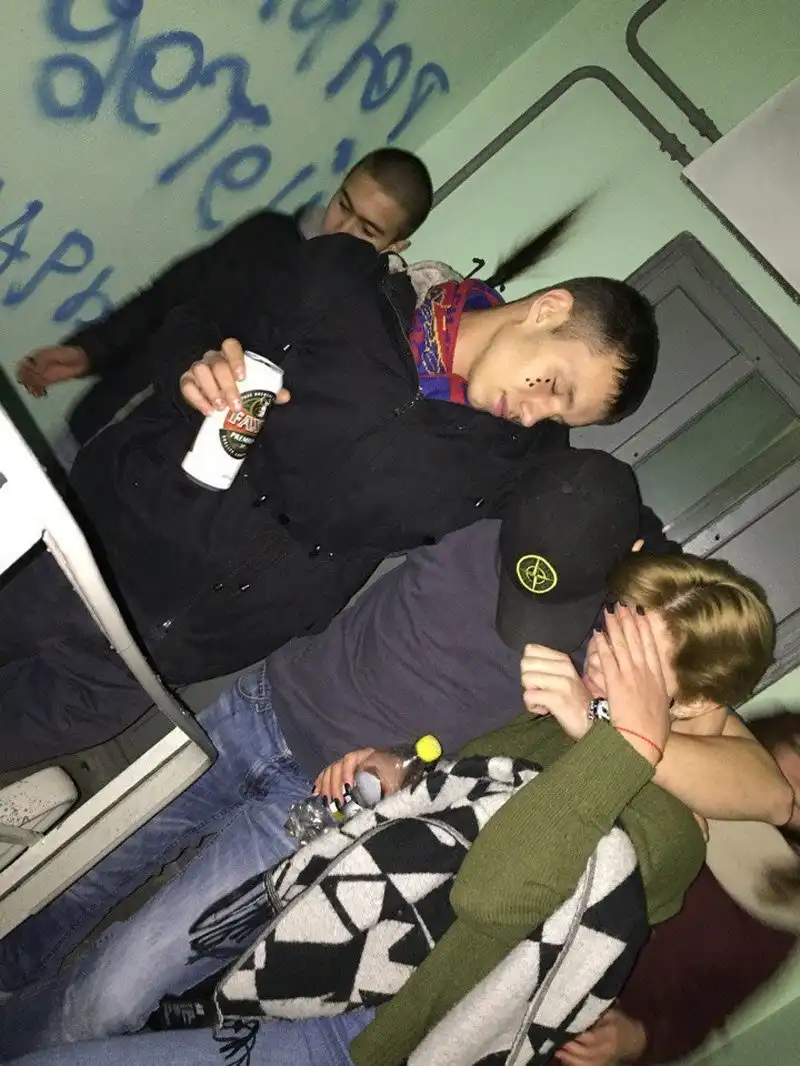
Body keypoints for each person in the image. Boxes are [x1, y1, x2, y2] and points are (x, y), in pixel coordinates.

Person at [0, 454, 786, 1061]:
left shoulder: (635, 659)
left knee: (119, 987)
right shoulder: (515, 493)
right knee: (87, 874)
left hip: (322, 820)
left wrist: (617, 725)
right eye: (614, 626)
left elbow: (766, 790)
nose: (610, 641)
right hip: (268, 709)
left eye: (631, 640)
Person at [0, 191, 668, 769]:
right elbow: (196, 315)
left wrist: (661, 632)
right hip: (89, 557)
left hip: (171, 656)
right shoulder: (345, 283)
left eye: (561, 414)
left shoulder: (518, 458)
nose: (534, 412)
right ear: (548, 309)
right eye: (554, 386)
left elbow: (616, 524)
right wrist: (194, 367)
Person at [16, 147, 435, 450]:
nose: (339, 229)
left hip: (153, 481)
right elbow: (167, 295)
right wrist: (86, 352)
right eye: (342, 204)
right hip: (99, 420)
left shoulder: (354, 325)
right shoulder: (266, 234)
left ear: (394, 246)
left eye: (366, 230)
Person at [556, 708, 800, 1066]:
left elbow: (697, 1015)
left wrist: (634, 1037)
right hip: (513, 908)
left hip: (562, 1025)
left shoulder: (779, 915)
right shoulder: (693, 747)